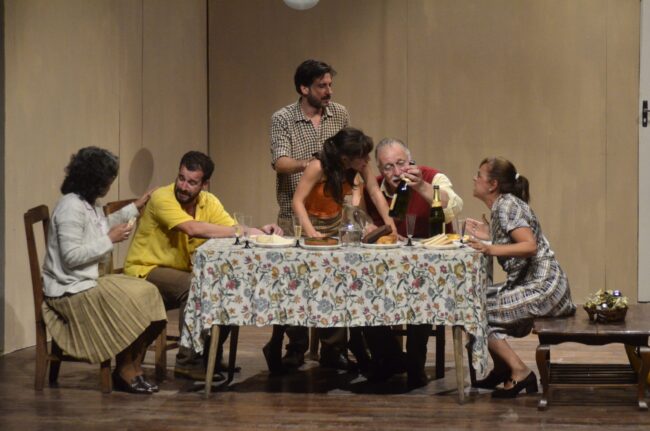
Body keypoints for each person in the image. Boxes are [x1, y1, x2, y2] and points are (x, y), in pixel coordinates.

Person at [124, 151, 282, 380]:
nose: (183, 187)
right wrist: (245, 231)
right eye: (181, 178)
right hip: (146, 269)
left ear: (204, 184)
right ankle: (187, 362)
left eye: (192, 182)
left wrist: (258, 231)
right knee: (195, 285)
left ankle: (210, 357)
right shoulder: (161, 197)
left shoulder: (209, 202)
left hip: (179, 271)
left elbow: (231, 229)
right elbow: (192, 228)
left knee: (227, 285)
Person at [263, 127, 398, 374]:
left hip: (335, 228)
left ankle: (334, 350)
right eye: (361, 156)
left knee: (337, 284)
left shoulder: (359, 166)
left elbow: (374, 191)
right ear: (345, 158)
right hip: (307, 227)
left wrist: (390, 223)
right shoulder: (318, 166)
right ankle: (287, 344)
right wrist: (311, 233)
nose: (366, 161)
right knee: (299, 288)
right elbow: (297, 201)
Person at [41, 147, 166, 394]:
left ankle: (132, 366)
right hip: (70, 289)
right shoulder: (70, 207)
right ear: (94, 180)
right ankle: (125, 370)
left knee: (148, 291)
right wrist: (110, 239)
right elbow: (71, 256)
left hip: (86, 281)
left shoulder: (89, 204)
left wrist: (135, 206)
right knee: (128, 300)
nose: (110, 185)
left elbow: (99, 226)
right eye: (108, 180)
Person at [465, 157, 575, 398]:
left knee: (473, 311)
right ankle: (502, 368)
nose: (474, 178)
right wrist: (489, 234)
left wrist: (490, 248)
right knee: (473, 302)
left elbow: (529, 245)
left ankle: (520, 371)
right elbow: (513, 237)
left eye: (479, 175)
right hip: (536, 285)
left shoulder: (506, 206)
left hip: (544, 288)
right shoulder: (502, 206)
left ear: (492, 184)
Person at [361, 137, 464, 388]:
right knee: (361, 291)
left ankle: (415, 362)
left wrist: (422, 187)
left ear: (411, 161)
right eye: (388, 167)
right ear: (379, 168)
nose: (396, 172)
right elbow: (360, 219)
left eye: (401, 163)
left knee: (422, 294)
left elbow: (455, 206)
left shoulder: (431, 177)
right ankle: (391, 358)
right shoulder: (373, 189)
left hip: (428, 270)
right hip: (384, 272)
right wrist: (367, 226)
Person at [268, 59, 349, 369]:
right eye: (321, 86)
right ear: (304, 88)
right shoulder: (283, 118)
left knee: (335, 280)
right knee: (295, 283)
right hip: (294, 212)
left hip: (331, 213)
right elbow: (280, 162)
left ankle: (333, 348)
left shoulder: (339, 114)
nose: (329, 91)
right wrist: (314, 165)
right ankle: (296, 346)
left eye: (330, 85)